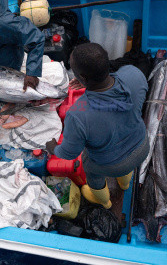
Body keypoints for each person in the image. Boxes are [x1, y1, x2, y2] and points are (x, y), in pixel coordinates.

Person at [45, 43, 149, 209]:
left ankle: (105, 201)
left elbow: (69, 153)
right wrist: (90, 82)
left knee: (91, 171)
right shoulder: (133, 74)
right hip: (141, 147)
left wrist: (53, 148)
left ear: (83, 78)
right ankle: (124, 185)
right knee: (127, 164)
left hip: (109, 164)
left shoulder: (77, 114)